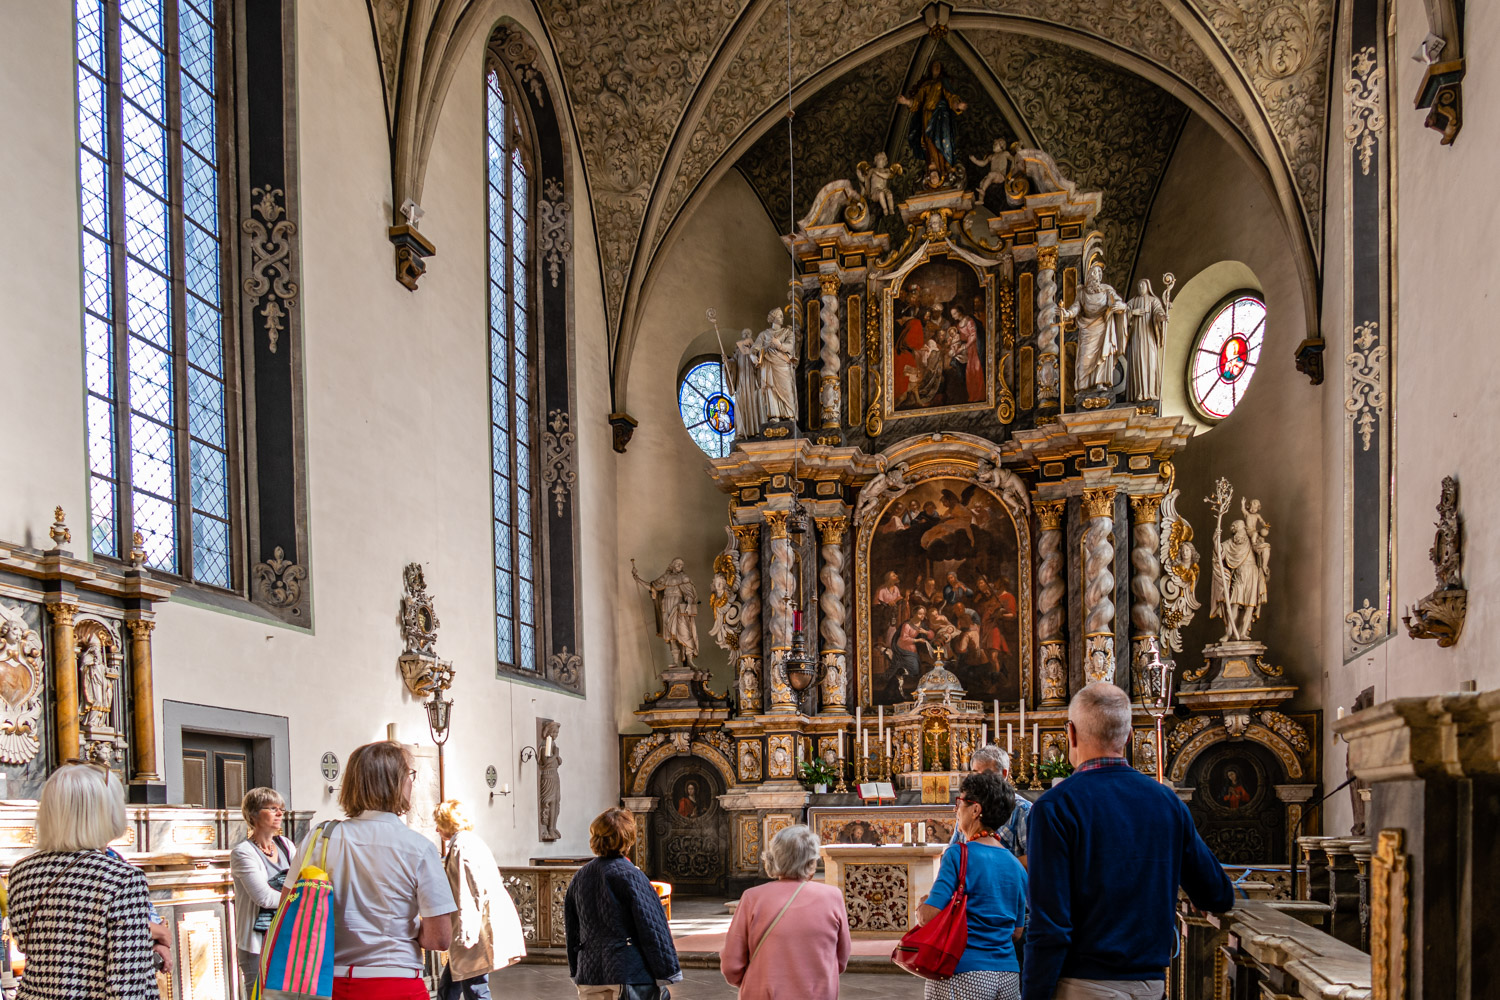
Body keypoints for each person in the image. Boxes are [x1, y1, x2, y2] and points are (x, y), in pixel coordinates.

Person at [1023, 683, 1235, 1000]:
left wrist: (1034, 994)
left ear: (1071, 733)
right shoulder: (1167, 802)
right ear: (1130, 736)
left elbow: (1050, 923)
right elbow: (1217, 894)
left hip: (1082, 983)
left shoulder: (1056, 807)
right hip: (1151, 983)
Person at [287, 740, 455, 998]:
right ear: (395, 783)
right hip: (395, 982)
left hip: (327, 984)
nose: (412, 782)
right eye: (409, 775)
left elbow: (288, 907)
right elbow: (439, 938)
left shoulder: (319, 837)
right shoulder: (418, 848)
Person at [7, 762, 169, 997]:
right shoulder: (122, 878)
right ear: (106, 812)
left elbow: (26, 945)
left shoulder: (22, 871)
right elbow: (126, 986)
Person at [918, 771, 1028, 1000]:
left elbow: (929, 916)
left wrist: (921, 906)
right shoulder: (1015, 865)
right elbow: (1017, 932)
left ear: (975, 810)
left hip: (964, 972)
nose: (955, 810)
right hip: (1008, 975)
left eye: (960, 803)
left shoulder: (958, 854)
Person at [721, 825, 850, 998]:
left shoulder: (752, 897)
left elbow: (731, 964)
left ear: (773, 858)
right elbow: (841, 958)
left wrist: (755, 981)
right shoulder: (832, 896)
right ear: (812, 861)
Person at [565, 808, 681, 998]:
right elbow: (652, 927)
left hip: (589, 974)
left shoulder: (580, 877)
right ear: (628, 839)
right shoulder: (631, 875)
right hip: (628, 972)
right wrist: (668, 971)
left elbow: (572, 930)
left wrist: (576, 969)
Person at [434, 800, 525, 998]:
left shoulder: (462, 846)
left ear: (447, 822)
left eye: (439, 823)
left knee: (475, 988)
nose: (436, 829)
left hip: (474, 928)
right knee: (453, 985)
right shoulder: (470, 841)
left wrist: (466, 934)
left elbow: (467, 892)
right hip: (476, 925)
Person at [230, 786, 293, 992]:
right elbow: (264, 898)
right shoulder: (243, 853)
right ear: (254, 814)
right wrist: (298, 897)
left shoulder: (286, 845)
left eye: (281, 809)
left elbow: (300, 882)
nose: (279, 813)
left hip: (284, 936)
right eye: (272, 808)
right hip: (257, 943)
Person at [951, 747, 1031, 867]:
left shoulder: (1024, 810)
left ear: (1004, 774)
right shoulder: (967, 807)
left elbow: (1036, 858)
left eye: (986, 775)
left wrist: (994, 868)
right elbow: (954, 850)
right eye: (976, 775)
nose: (979, 782)